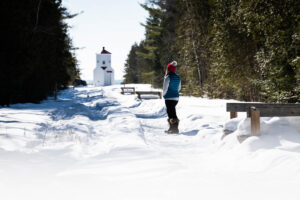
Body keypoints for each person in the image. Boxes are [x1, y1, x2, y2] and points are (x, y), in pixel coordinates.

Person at [163, 61, 181, 133]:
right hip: (176, 98)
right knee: (172, 111)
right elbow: (179, 88)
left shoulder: (167, 77)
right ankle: (172, 128)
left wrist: (164, 95)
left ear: (168, 69)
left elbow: (165, 88)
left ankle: (174, 129)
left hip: (169, 98)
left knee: (170, 112)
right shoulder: (178, 77)